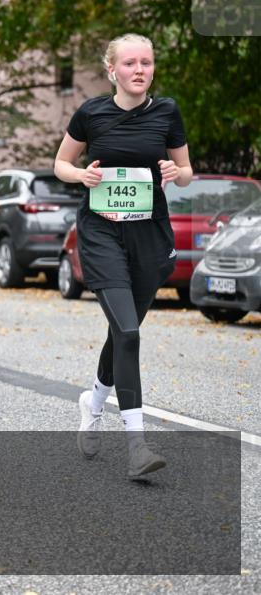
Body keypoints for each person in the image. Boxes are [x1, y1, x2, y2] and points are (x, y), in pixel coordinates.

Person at [54, 33, 192, 479]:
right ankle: (137, 445)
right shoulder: (91, 113)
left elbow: (186, 171)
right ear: (112, 70)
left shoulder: (167, 112)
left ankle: (92, 401)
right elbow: (62, 164)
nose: (139, 70)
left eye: (146, 63)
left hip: (149, 235)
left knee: (123, 331)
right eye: (130, 63)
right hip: (101, 232)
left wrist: (177, 171)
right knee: (129, 332)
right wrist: (81, 175)